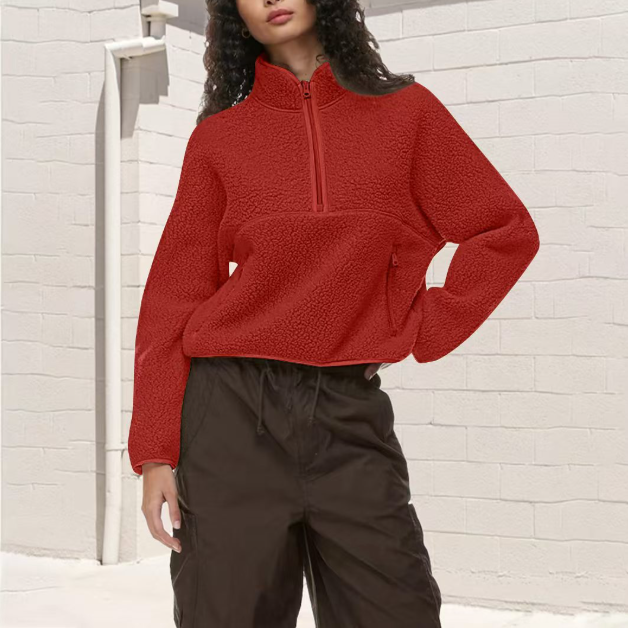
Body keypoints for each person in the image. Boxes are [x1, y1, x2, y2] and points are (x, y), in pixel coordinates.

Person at [127, 0, 540, 626]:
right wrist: (156, 451)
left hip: (349, 415)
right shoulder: (220, 139)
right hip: (231, 416)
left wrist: (425, 325)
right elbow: (172, 298)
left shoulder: (407, 115)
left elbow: (504, 230)